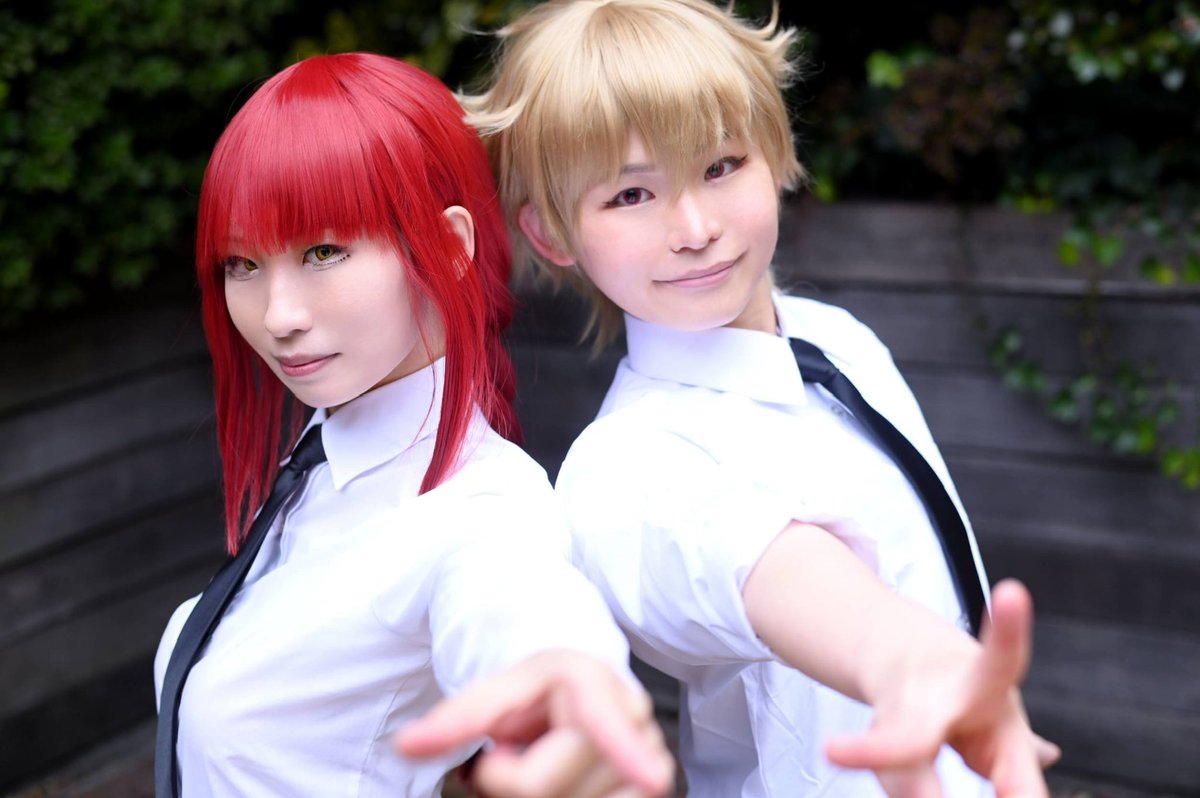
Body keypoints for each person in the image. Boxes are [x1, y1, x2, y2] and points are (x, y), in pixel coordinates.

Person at [461, 1, 1059, 795]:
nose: (694, 227)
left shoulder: (840, 340)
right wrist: (907, 658)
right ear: (550, 234)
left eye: (720, 165)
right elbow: (776, 567)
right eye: (630, 195)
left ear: (776, 153)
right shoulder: (623, 469)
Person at [153, 52, 673, 798]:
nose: (279, 317)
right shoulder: (325, 446)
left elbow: (517, 605)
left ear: (451, 246)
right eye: (243, 264)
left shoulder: (478, 512)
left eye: (323, 251)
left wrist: (572, 690)